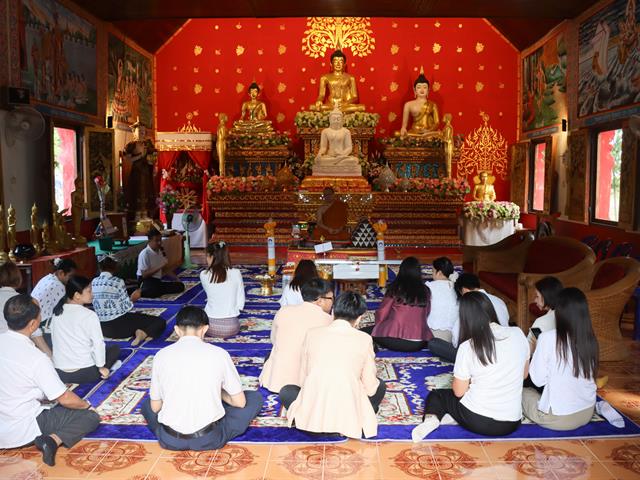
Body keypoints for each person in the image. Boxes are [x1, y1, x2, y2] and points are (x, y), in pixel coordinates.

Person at [140, 306, 263, 450]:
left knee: (147, 404)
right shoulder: (219, 354)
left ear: (177, 330)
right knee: (254, 398)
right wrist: (220, 393)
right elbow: (240, 403)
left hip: (170, 439)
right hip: (208, 439)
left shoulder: (161, 355)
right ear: (205, 329)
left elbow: (155, 407)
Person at [412, 291, 529, 441]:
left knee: (439, 395)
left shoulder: (469, 346)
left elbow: (459, 392)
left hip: (477, 420)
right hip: (511, 422)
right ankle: (450, 417)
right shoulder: (518, 334)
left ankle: (432, 419)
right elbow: (524, 375)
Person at [0, 294, 99, 466]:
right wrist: (87, 405)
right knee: (90, 417)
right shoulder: (36, 358)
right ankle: (52, 440)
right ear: (33, 324)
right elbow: (64, 398)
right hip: (22, 428)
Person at [280, 292, 386, 439]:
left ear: (333, 312)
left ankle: (318, 424)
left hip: (312, 420)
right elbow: (370, 387)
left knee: (287, 391)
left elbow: (303, 379)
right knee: (380, 386)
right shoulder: (364, 339)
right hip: (347, 418)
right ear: (359, 318)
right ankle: (343, 425)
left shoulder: (312, 333)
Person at [522, 288, 598, 431]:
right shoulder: (590, 339)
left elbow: (537, 380)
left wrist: (539, 350)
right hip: (587, 411)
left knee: (521, 392)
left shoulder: (547, 338)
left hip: (557, 419)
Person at [260, 278, 334, 393]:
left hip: (276, 381)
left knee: (272, 353)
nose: (332, 303)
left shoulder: (283, 311)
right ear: (320, 301)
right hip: (305, 384)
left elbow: (274, 340)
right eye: (331, 299)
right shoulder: (328, 320)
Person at [51, 276, 121, 384]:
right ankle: (107, 369)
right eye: (89, 291)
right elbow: (98, 344)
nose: (92, 294)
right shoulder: (89, 315)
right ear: (77, 295)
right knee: (114, 349)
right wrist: (101, 367)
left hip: (60, 374)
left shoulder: (56, 312)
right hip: (86, 373)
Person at [92, 256, 166, 346]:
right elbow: (127, 307)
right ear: (115, 267)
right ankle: (143, 333)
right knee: (159, 322)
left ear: (100, 267)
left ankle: (141, 332)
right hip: (121, 329)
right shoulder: (118, 281)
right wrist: (133, 298)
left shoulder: (93, 282)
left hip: (103, 329)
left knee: (137, 318)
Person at [368, 257, 433, 352]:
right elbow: (426, 313)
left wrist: (379, 327)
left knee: (363, 332)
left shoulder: (395, 288)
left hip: (396, 340)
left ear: (401, 270)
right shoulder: (426, 290)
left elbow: (382, 312)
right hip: (420, 342)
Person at [0, 261, 51, 357]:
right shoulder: (23, 302)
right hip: (16, 350)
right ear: (18, 278)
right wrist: (50, 357)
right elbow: (35, 333)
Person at [199, 241, 245, 338]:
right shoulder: (236, 273)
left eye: (207, 256)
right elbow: (241, 301)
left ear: (211, 257)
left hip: (210, 327)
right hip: (232, 327)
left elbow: (210, 293)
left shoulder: (204, 275)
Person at [137, 228, 185, 299]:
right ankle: (138, 290)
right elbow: (144, 275)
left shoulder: (160, 251)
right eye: (156, 241)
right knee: (153, 291)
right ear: (149, 241)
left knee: (180, 286)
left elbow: (165, 269)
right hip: (145, 281)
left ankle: (157, 289)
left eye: (160, 240)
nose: (159, 243)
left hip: (156, 281)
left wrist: (176, 278)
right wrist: (160, 266)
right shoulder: (145, 254)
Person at [31, 258, 77, 328]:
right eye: (70, 276)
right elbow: (65, 310)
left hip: (31, 319)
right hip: (41, 323)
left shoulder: (47, 278)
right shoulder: (58, 286)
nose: (72, 280)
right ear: (61, 273)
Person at [425, 257, 459, 341]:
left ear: (439, 272)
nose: (432, 274)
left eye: (433, 271)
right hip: (456, 334)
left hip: (433, 332)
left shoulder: (429, 286)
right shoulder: (457, 287)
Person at [527, 276, 563, 352]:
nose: (535, 300)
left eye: (537, 296)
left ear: (547, 296)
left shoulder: (540, 322)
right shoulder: (570, 316)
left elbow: (527, 350)